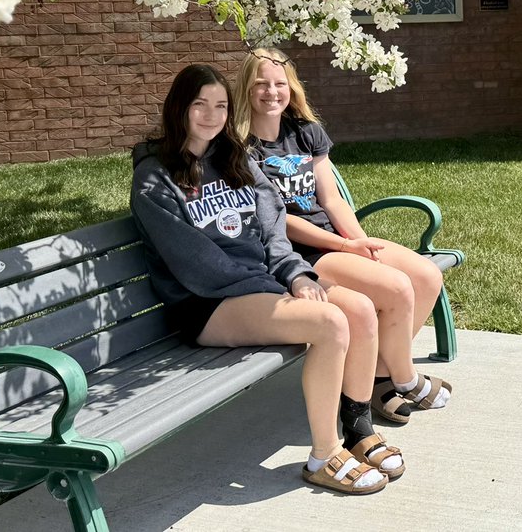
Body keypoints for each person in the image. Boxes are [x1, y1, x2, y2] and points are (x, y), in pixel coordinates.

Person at [130, 63, 403, 494]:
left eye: (220, 105)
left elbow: (274, 227)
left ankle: (358, 430)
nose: (210, 114)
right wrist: (278, 289)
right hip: (207, 304)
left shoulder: (234, 159)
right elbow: (197, 265)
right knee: (331, 322)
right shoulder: (155, 177)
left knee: (360, 310)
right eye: (198, 104)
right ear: (178, 108)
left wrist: (294, 274)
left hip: (263, 287)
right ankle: (323, 456)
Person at [234, 49, 451, 424]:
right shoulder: (241, 149)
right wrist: (345, 246)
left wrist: (362, 243)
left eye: (279, 83)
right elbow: (277, 221)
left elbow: (331, 198)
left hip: (334, 241)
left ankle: (380, 378)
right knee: (398, 288)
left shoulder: (305, 132)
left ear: (292, 88)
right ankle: (406, 379)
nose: (271, 92)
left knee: (427, 275)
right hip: (297, 255)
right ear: (245, 89)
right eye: (261, 84)